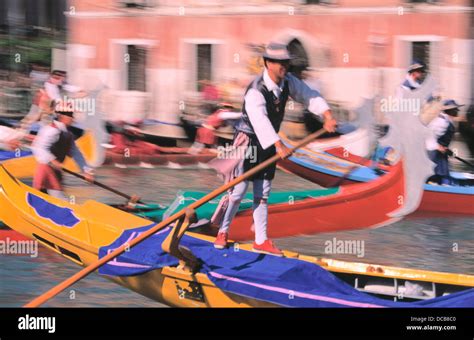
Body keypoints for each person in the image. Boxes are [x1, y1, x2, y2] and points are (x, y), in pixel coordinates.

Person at [212, 42, 337, 256]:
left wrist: (327, 115)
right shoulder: (255, 90)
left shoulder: (288, 82)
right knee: (239, 190)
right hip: (248, 141)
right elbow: (259, 120)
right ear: (268, 63)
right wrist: (278, 145)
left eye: (286, 63)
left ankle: (261, 240)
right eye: (280, 63)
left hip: (269, 142)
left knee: (263, 193)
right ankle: (222, 233)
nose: (284, 67)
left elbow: (309, 95)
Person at [31, 102, 94, 200]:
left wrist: (87, 171)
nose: (72, 118)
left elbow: (76, 154)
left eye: (72, 114)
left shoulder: (68, 134)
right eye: (69, 115)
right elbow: (38, 147)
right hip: (46, 170)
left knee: (49, 198)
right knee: (59, 199)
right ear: (61, 116)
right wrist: (53, 160)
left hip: (56, 172)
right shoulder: (51, 130)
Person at [426, 99, 464, 185]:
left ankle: (442, 184)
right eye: (456, 109)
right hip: (433, 153)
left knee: (443, 174)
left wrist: (447, 150)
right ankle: (438, 187)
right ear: (450, 111)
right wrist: (438, 147)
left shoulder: (446, 121)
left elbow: (442, 140)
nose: (458, 111)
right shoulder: (441, 122)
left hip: (439, 153)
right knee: (437, 174)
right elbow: (429, 137)